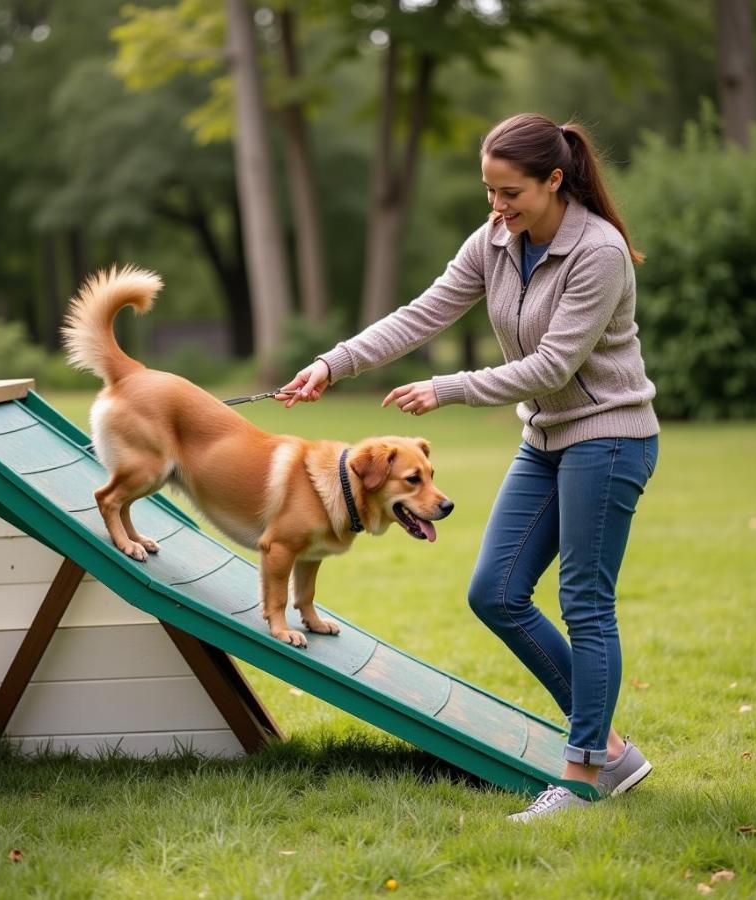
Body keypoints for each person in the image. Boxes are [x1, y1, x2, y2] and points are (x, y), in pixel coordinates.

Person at [277, 112, 659, 821]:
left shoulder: (598, 252)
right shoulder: (495, 241)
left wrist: (447, 389)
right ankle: (609, 746)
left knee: (584, 602)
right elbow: (421, 314)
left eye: (509, 192)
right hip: (546, 440)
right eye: (489, 191)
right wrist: (334, 363)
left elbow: (554, 364)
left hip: (608, 439)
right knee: (497, 592)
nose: (497, 207)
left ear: (554, 180)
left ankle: (581, 778)